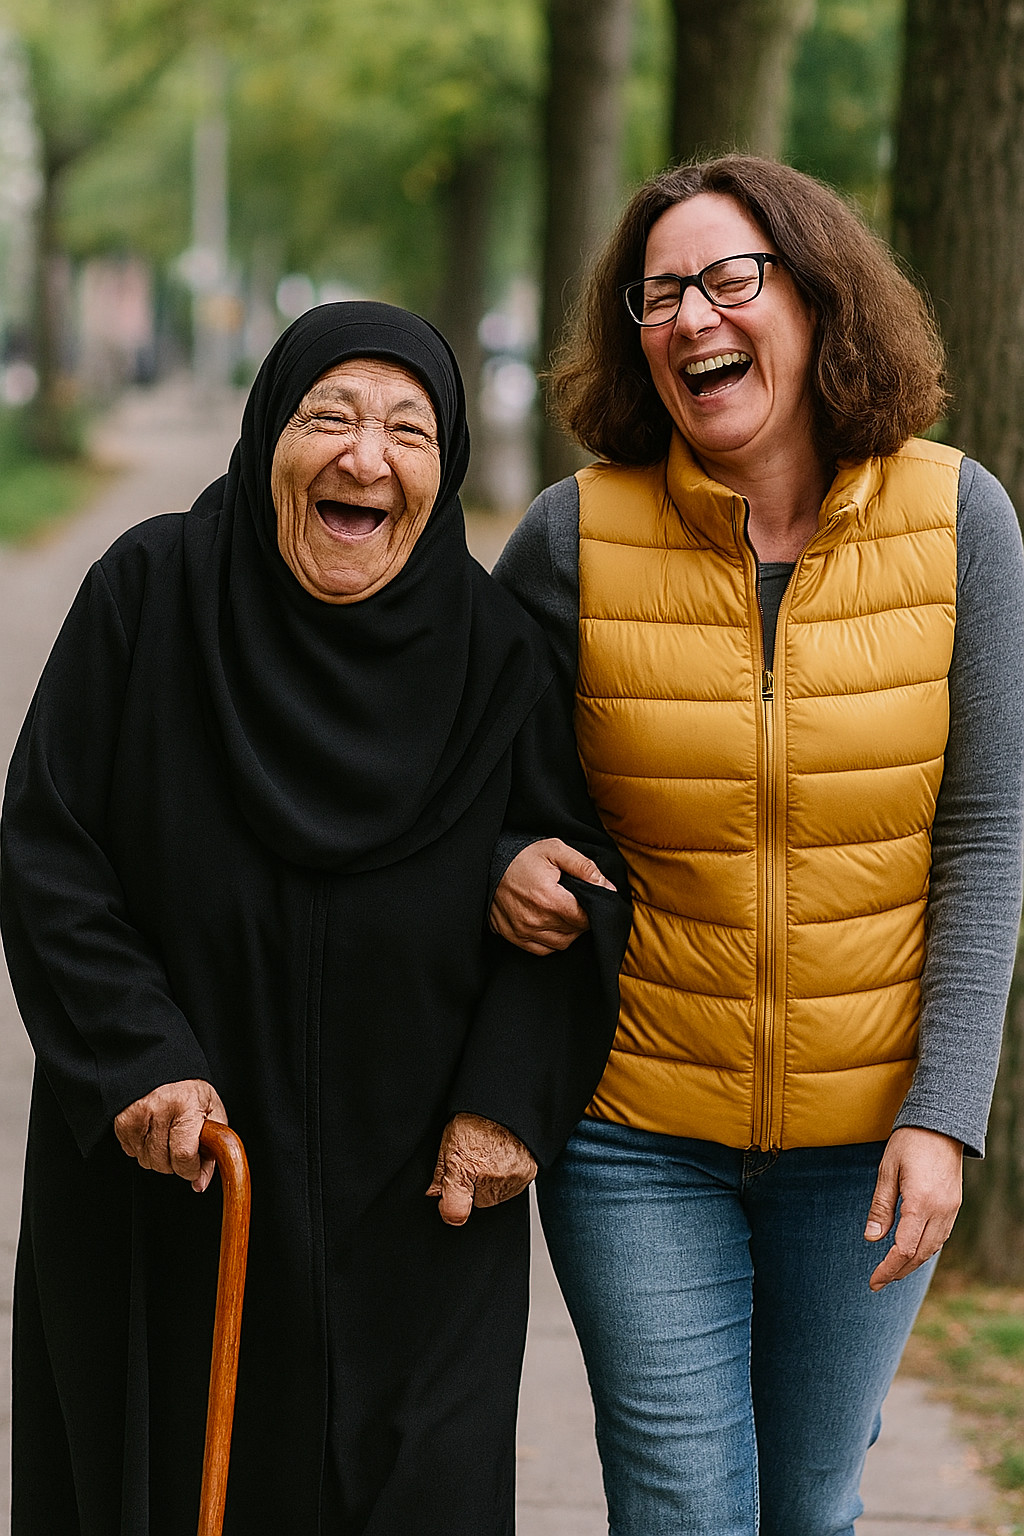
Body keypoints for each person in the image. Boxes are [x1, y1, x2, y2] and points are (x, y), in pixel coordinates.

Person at [0, 301, 629, 1536]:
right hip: (179, 1171)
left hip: (417, 1212)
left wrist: (504, 1106)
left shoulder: (497, 653)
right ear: (266, 439)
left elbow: (577, 889)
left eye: (408, 430)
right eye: (328, 417)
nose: (365, 456)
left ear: (445, 466)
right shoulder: (150, 595)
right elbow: (48, 849)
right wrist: (137, 1061)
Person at [489, 156, 1024, 1536]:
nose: (691, 316)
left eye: (731, 279)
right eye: (657, 294)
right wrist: (502, 862)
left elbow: (984, 830)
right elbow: (468, 784)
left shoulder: (960, 519)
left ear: (818, 297)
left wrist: (944, 1114)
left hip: (868, 1140)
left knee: (810, 1505)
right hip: (633, 1133)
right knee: (683, 1509)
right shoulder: (571, 539)